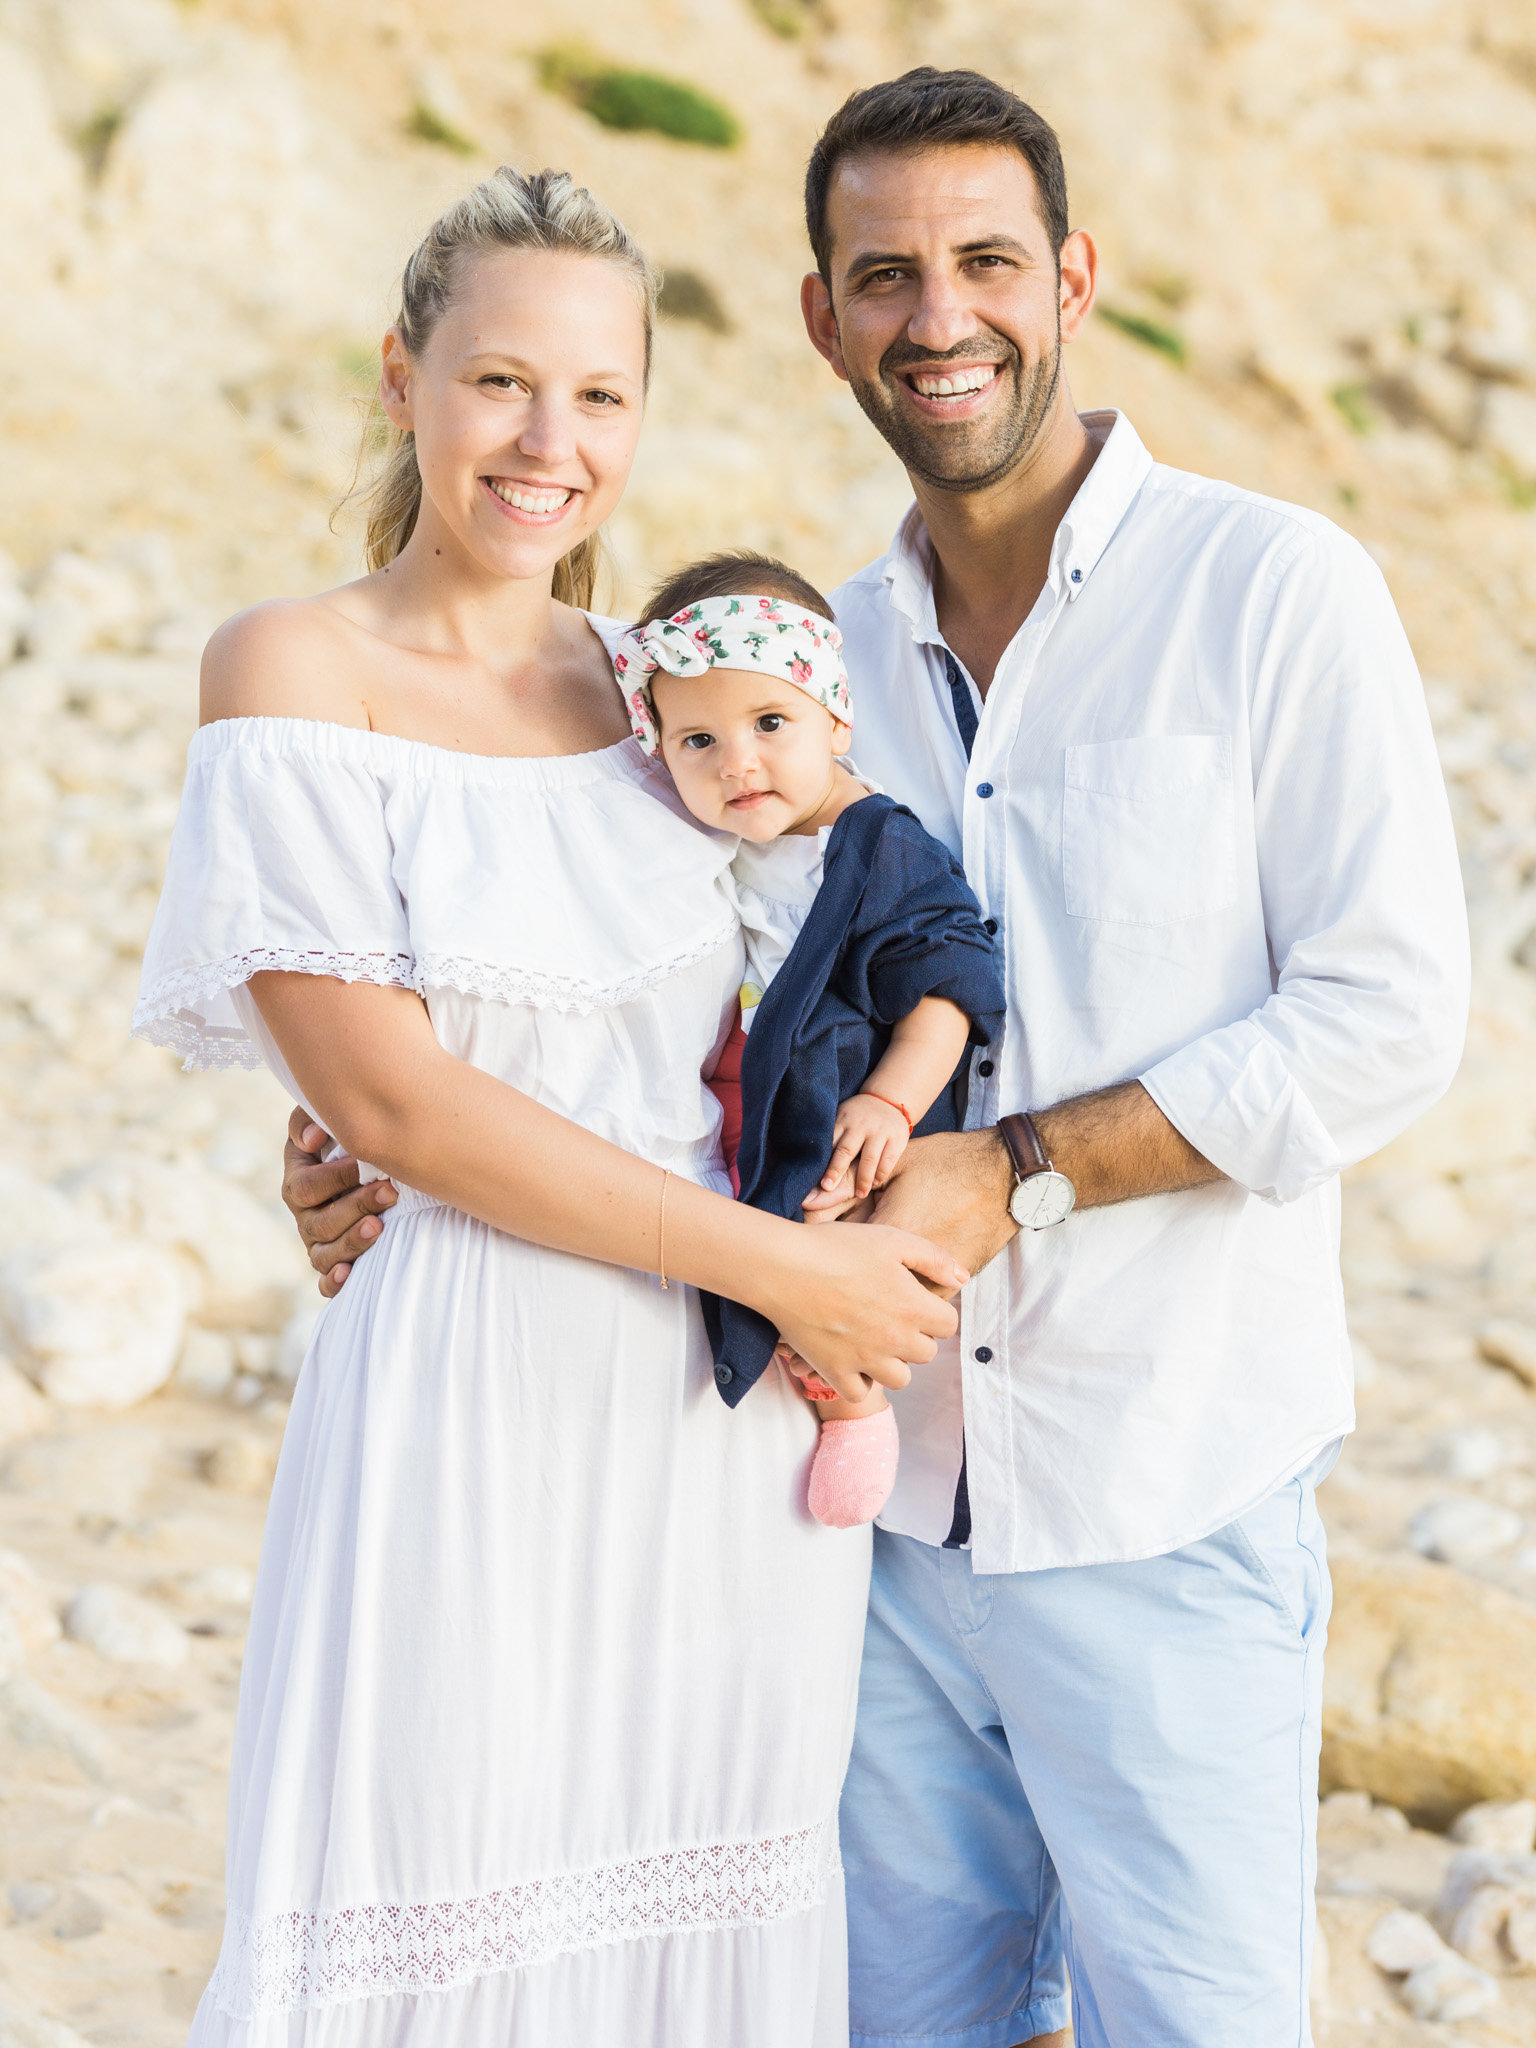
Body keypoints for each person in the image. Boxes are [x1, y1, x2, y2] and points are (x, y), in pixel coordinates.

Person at [282, 70, 1470, 2048]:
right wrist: (377, 1160)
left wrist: (1020, 1162)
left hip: (1163, 1501)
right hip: (857, 1541)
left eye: (988, 260)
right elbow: (642, 1019)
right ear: (823, 317)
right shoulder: (788, 671)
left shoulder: (1275, 593)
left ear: (1074, 278)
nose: (943, 315)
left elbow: (1387, 1013)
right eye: (885, 273)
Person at [134, 165, 969, 2048]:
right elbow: (395, 1101)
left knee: (696, 1917)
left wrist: (872, 1182)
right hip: (475, 1398)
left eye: (601, 395)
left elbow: (827, 959)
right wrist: (782, 1263)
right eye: (501, 381)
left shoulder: (665, 691)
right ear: (399, 380)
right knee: (424, 1900)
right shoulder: (295, 667)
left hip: (725, 1427)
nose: (547, 441)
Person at [613, 550, 1006, 1527]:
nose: (736, 760)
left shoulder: (878, 845)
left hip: (850, 1106)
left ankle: (855, 1402)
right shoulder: (737, 841)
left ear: (836, 717)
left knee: (825, 1240)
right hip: (763, 1084)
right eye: (697, 740)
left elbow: (947, 984)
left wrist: (893, 1101)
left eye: (770, 724)